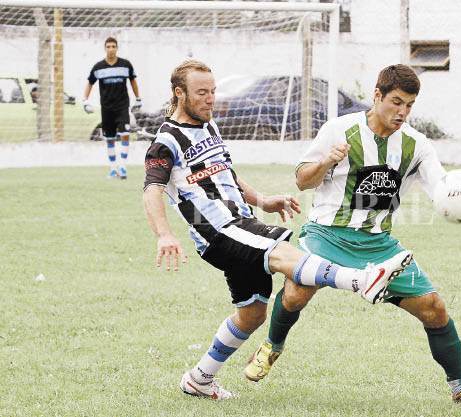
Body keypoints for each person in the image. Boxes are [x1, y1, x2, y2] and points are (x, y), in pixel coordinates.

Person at [142, 59, 413, 400]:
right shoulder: (165, 141)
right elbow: (152, 188)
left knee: (253, 313)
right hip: (217, 230)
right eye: (201, 93)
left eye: (213, 91)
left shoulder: (207, 126)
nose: (211, 98)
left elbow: (225, 172)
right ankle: (361, 280)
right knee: (285, 254)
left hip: (240, 223)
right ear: (179, 94)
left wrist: (262, 199)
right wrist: (164, 234)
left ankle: (200, 378)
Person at [244, 64, 461, 408]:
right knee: (296, 291)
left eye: (410, 105)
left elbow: (443, 191)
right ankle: (271, 347)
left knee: (434, 309)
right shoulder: (339, 130)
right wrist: (326, 162)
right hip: (327, 234)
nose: (403, 112)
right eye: (396, 102)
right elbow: (303, 181)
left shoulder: (416, 145)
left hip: (378, 244)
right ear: (377, 95)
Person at [83, 37, 141, 179]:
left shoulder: (125, 65)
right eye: (108, 46)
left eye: (113, 46)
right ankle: (113, 168)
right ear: (105, 48)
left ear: (117, 48)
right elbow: (90, 83)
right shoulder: (98, 67)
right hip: (106, 108)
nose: (111, 49)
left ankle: (122, 166)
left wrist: (138, 98)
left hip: (122, 107)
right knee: (109, 139)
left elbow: (133, 81)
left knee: (125, 135)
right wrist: (85, 100)